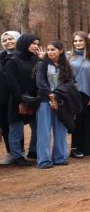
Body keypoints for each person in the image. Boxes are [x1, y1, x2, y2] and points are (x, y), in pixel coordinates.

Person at [34, 40, 74, 169]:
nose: (50, 52)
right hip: (45, 101)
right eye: (49, 50)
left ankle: (60, 157)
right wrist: (51, 95)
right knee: (44, 131)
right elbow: (40, 82)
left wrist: (57, 95)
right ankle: (44, 160)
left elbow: (68, 83)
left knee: (60, 130)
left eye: (53, 50)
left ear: (61, 51)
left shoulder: (66, 65)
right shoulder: (42, 64)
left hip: (61, 101)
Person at [3, 34, 42, 166]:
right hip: (16, 100)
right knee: (16, 129)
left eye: (37, 43)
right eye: (33, 43)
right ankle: (17, 156)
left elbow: (37, 79)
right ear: (25, 43)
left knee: (37, 126)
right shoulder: (12, 61)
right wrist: (21, 101)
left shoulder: (35, 59)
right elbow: (12, 84)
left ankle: (33, 151)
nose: (35, 46)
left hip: (33, 99)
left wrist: (42, 59)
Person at [67, 32, 90, 159]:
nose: (77, 43)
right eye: (75, 41)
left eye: (80, 41)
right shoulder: (68, 57)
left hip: (88, 93)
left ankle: (88, 147)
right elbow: (64, 74)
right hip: (74, 94)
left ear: (85, 42)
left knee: (89, 120)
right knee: (77, 121)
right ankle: (75, 148)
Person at [0, 30, 20, 164]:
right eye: (5, 40)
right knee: (5, 124)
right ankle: (10, 153)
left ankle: (24, 151)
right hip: (2, 97)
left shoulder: (25, 55)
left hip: (19, 96)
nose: (8, 42)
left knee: (17, 124)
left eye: (11, 39)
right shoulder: (1, 57)